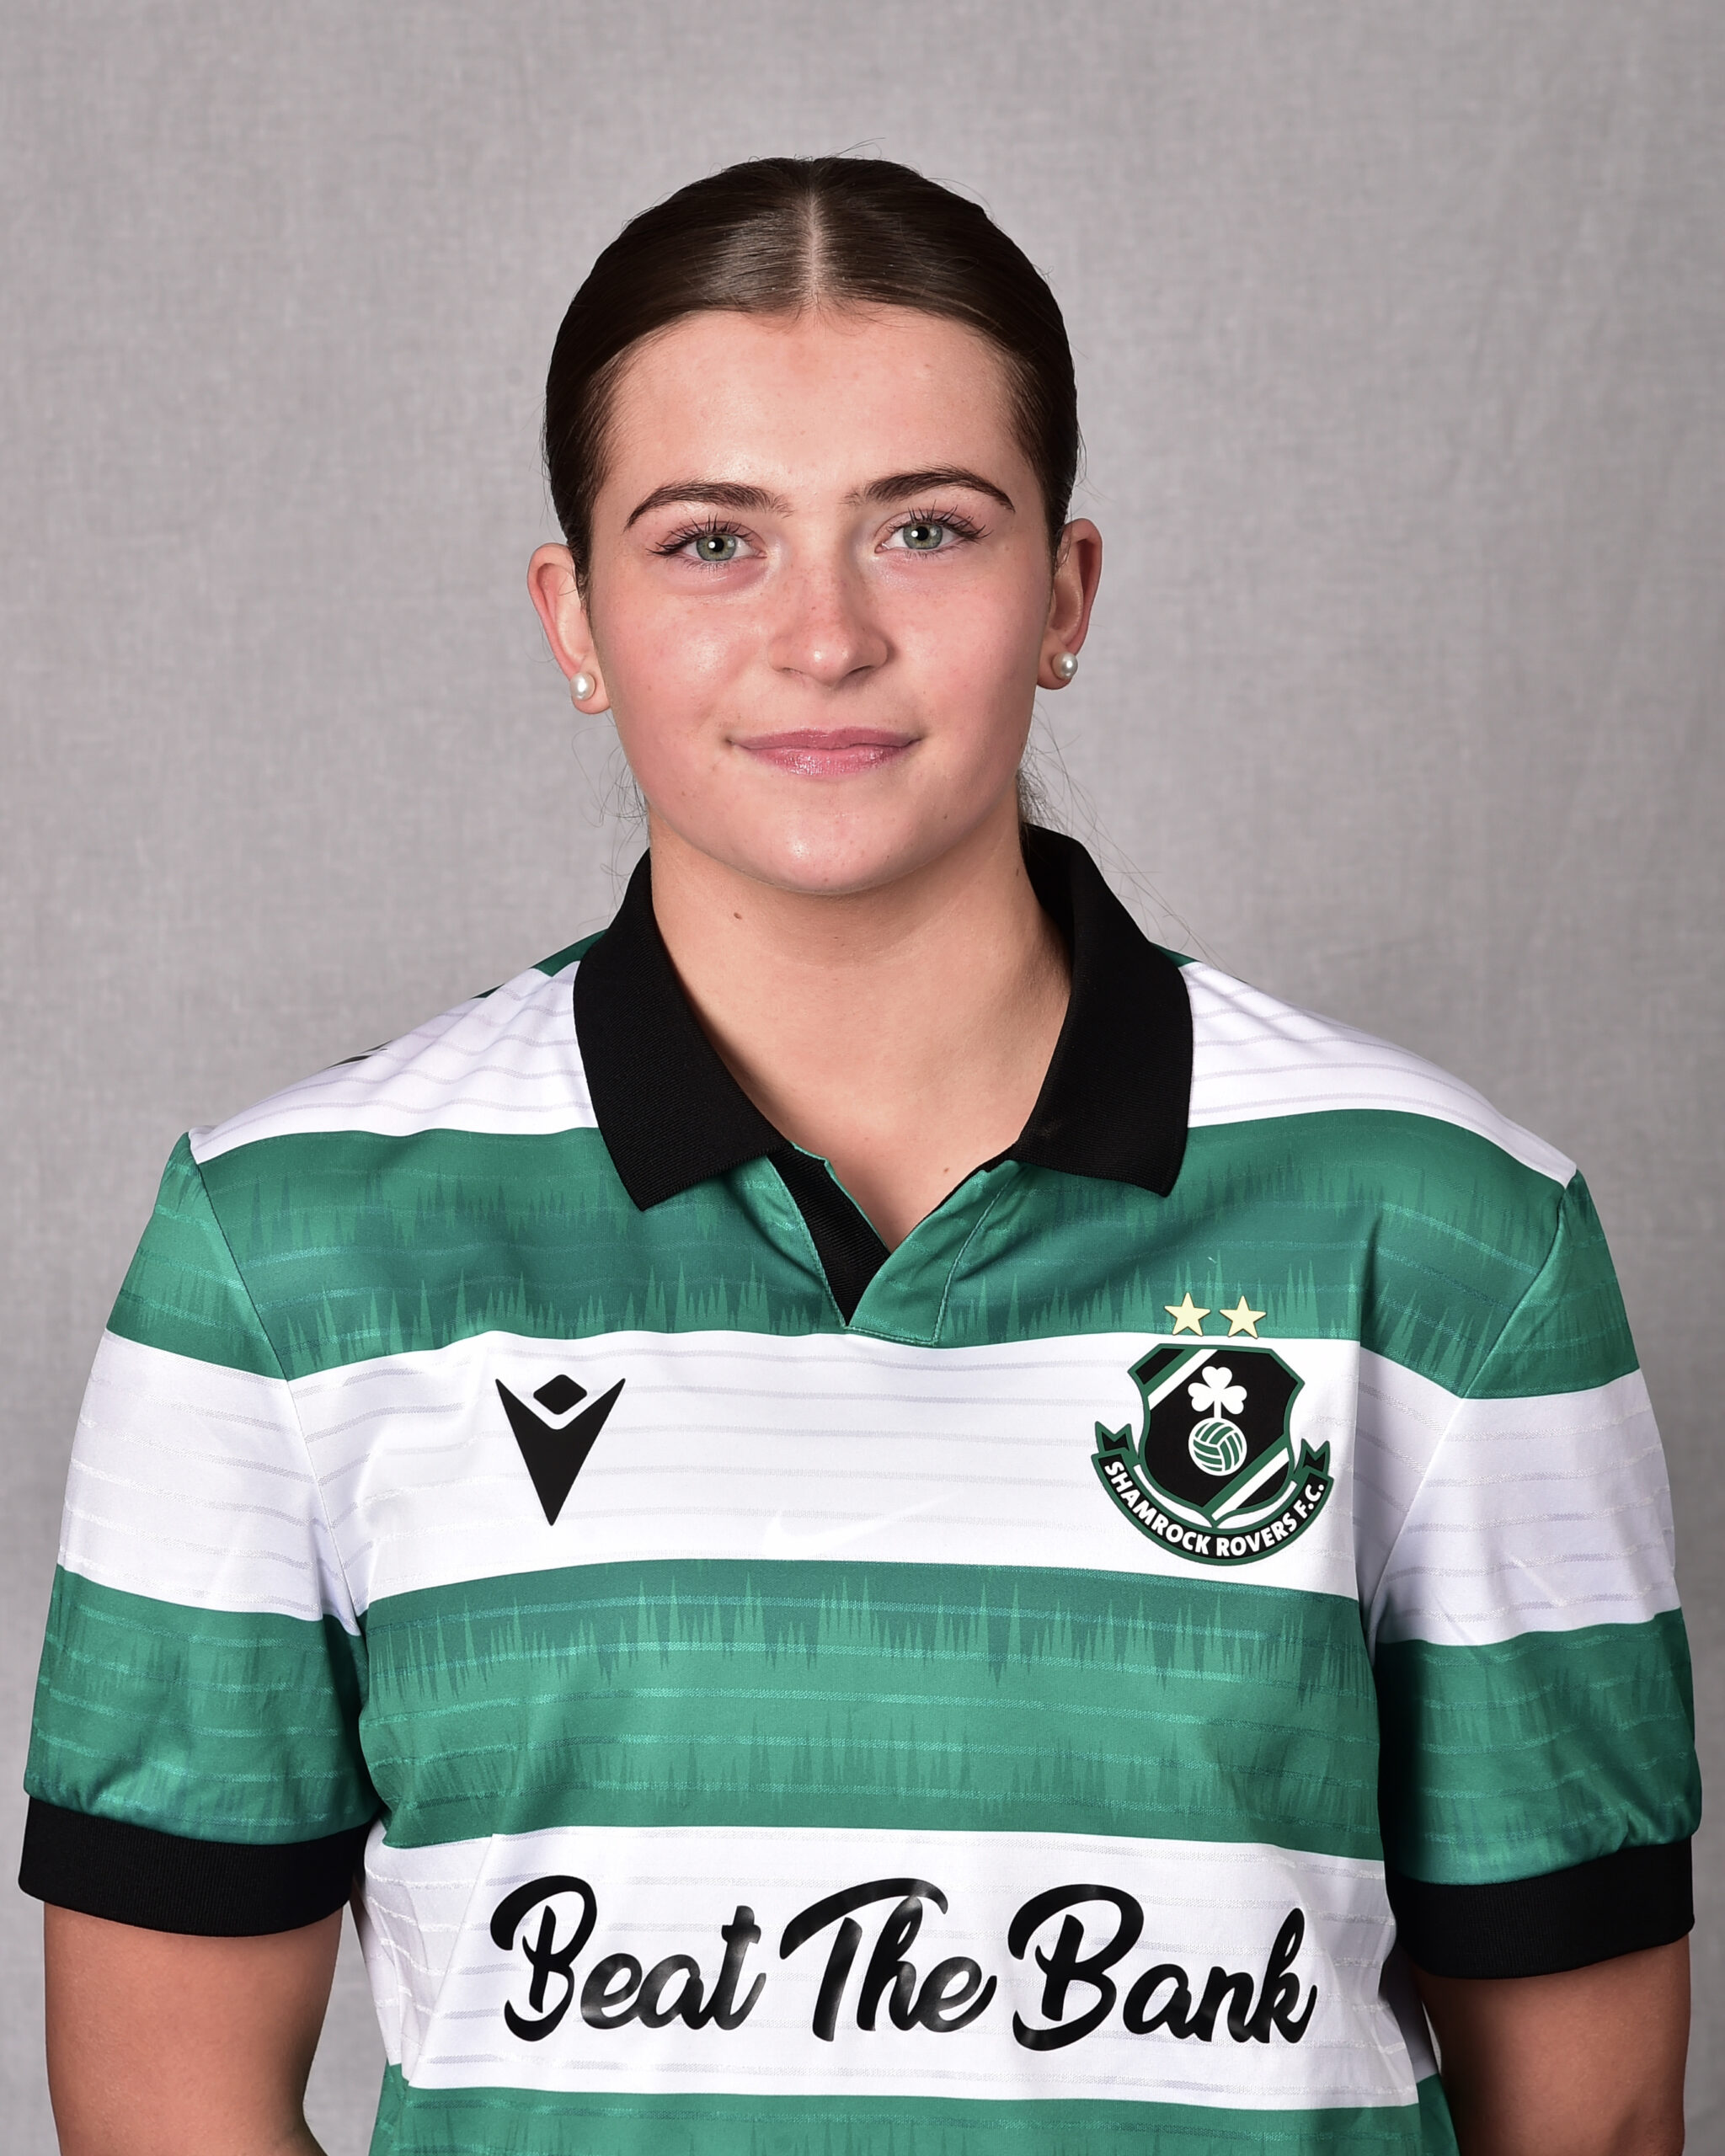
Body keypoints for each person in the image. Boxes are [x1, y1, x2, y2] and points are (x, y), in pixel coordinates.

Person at [22, 157, 1696, 2156]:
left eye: (923, 527)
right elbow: (157, 2098)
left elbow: (1585, 2117)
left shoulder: (1454, 1243)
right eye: (711, 539)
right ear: (575, 614)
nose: (822, 636)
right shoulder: (277, 1256)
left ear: (1062, 594)